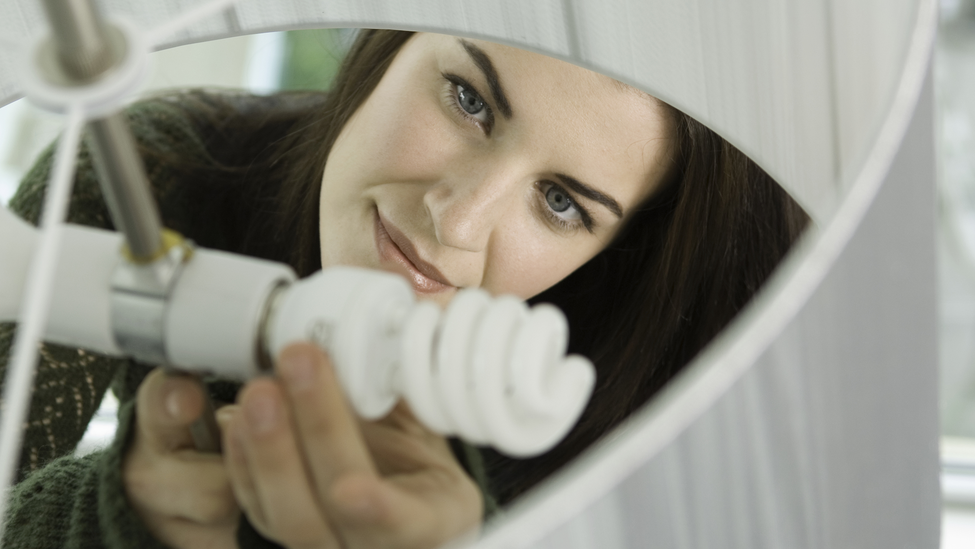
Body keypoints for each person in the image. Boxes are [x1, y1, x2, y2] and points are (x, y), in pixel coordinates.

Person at [0, 30, 808, 549]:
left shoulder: (647, 419)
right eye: (469, 100)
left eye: (560, 201)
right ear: (391, 42)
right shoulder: (151, 175)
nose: (456, 220)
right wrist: (121, 516)